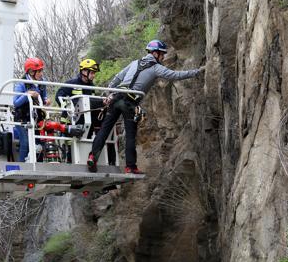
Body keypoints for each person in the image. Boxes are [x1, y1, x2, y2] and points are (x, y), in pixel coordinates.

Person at [87, 40, 205, 174]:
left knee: (104, 130)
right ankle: (130, 167)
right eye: (161, 55)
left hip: (116, 97)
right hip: (129, 102)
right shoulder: (156, 68)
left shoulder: (134, 63)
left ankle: (92, 157)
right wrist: (196, 72)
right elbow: (174, 75)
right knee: (130, 136)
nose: (163, 58)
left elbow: (117, 78)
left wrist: (109, 93)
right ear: (155, 53)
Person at [13, 57, 50, 162]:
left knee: (39, 143)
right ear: (31, 71)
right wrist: (27, 94)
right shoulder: (21, 83)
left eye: (41, 71)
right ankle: (22, 165)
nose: (41, 73)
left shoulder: (42, 83)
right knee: (26, 142)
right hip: (22, 119)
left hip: (36, 119)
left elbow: (43, 97)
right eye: (39, 71)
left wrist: (46, 100)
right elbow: (16, 102)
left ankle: (38, 165)